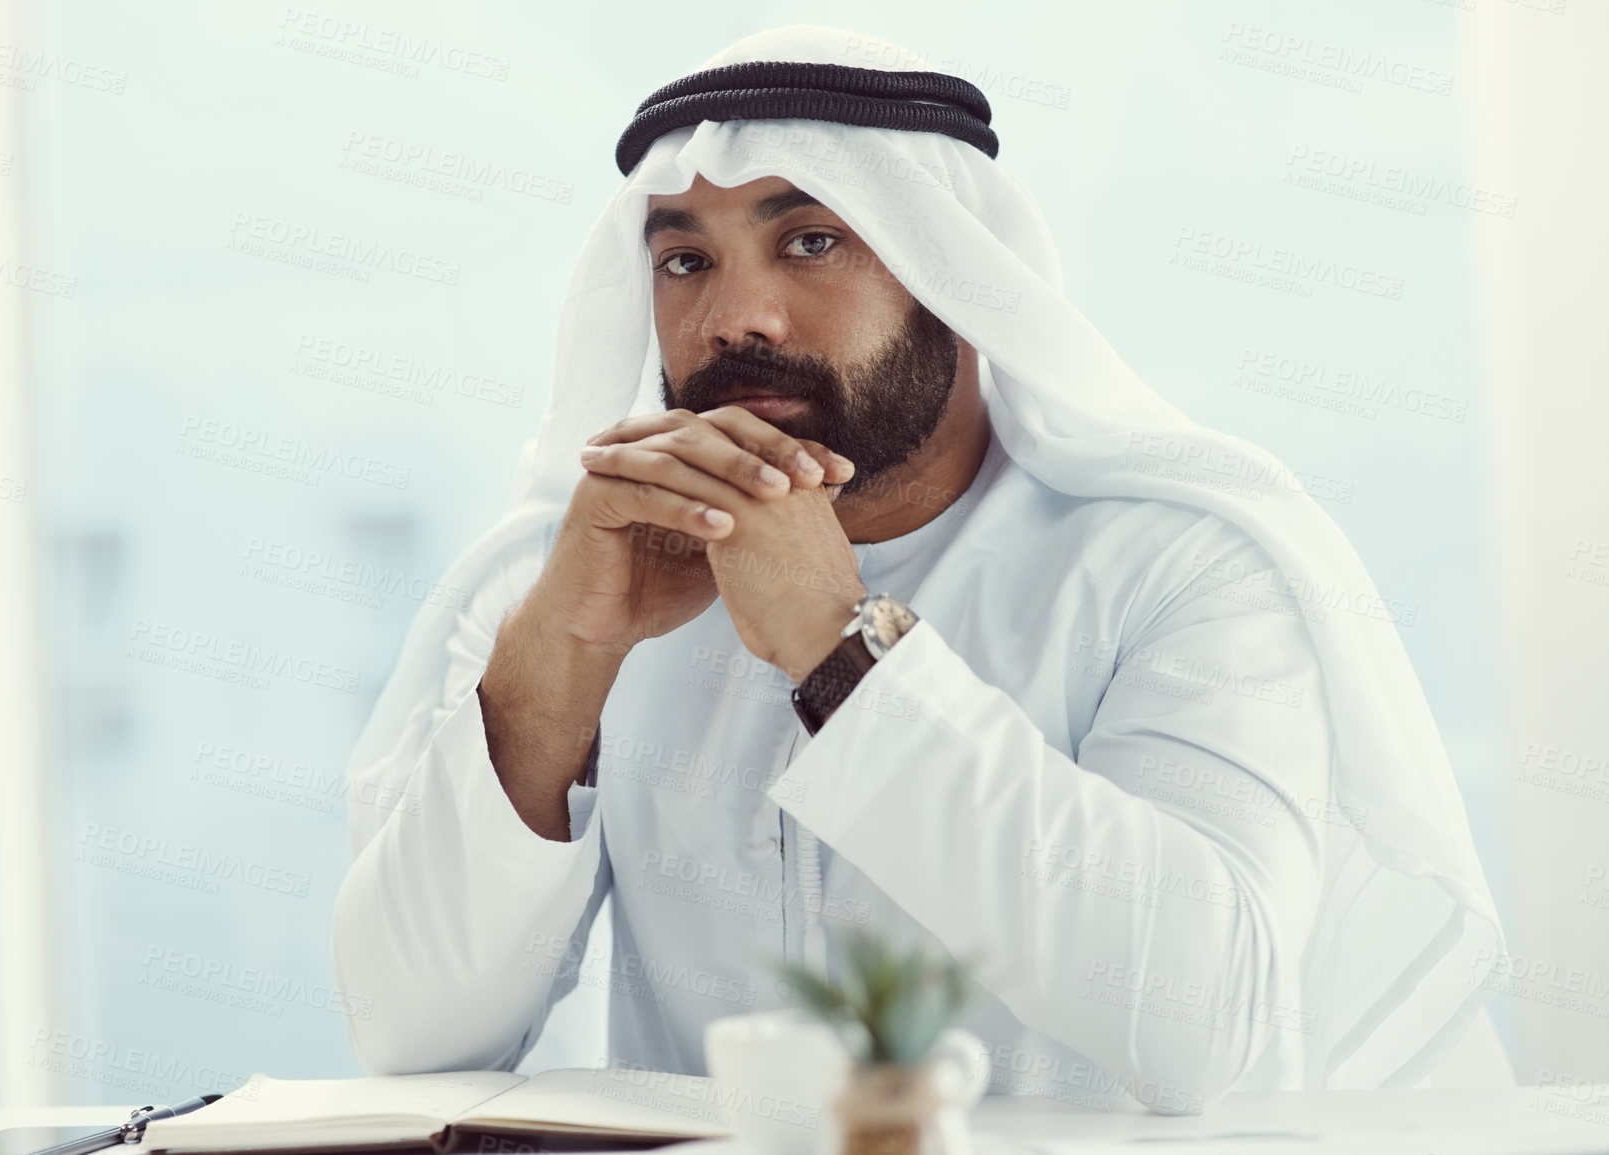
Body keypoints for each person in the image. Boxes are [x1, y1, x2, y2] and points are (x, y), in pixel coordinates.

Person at [331, 26, 1505, 1111]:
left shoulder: (1178, 567)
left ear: (959, 269)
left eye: (810, 241)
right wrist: (565, 655)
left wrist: (841, 648)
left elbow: (1207, 1027)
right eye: (684, 261)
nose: (739, 317)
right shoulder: (576, 578)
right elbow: (413, 1033)